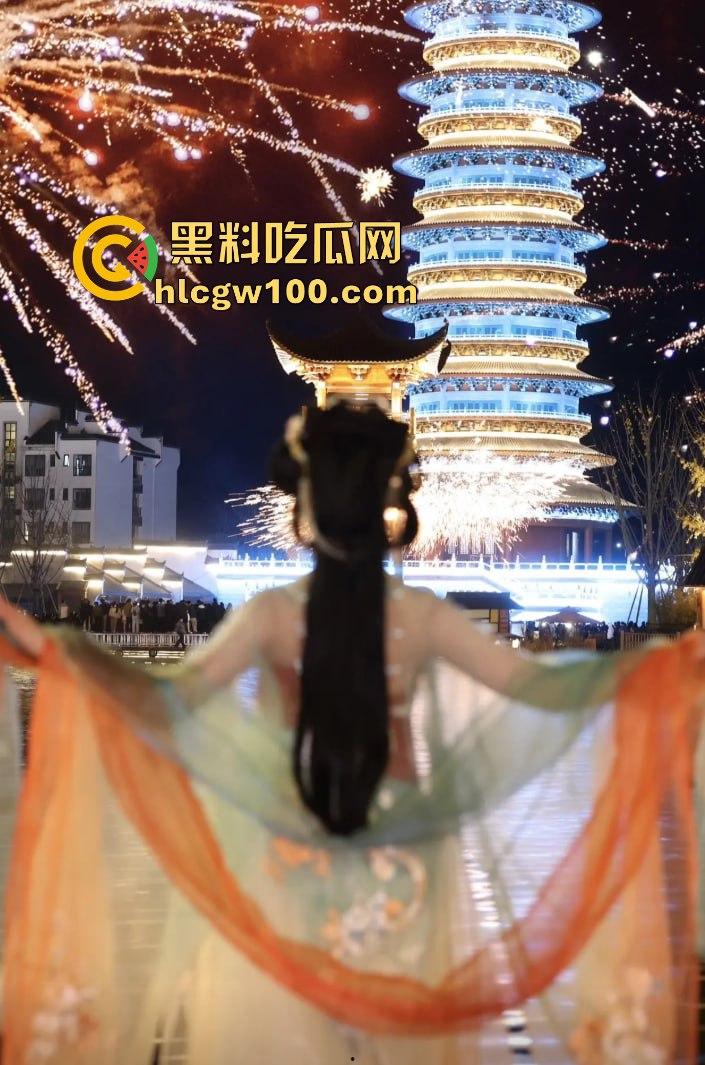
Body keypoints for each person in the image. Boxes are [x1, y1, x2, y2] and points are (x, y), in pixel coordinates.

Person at [0, 402, 704, 1064]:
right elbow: (543, 690)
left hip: (286, 855)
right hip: (403, 865)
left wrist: (59, 653)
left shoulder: (271, 615)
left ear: (303, 507)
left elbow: (164, 701)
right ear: (392, 506)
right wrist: (671, 664)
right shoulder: (421, 616)